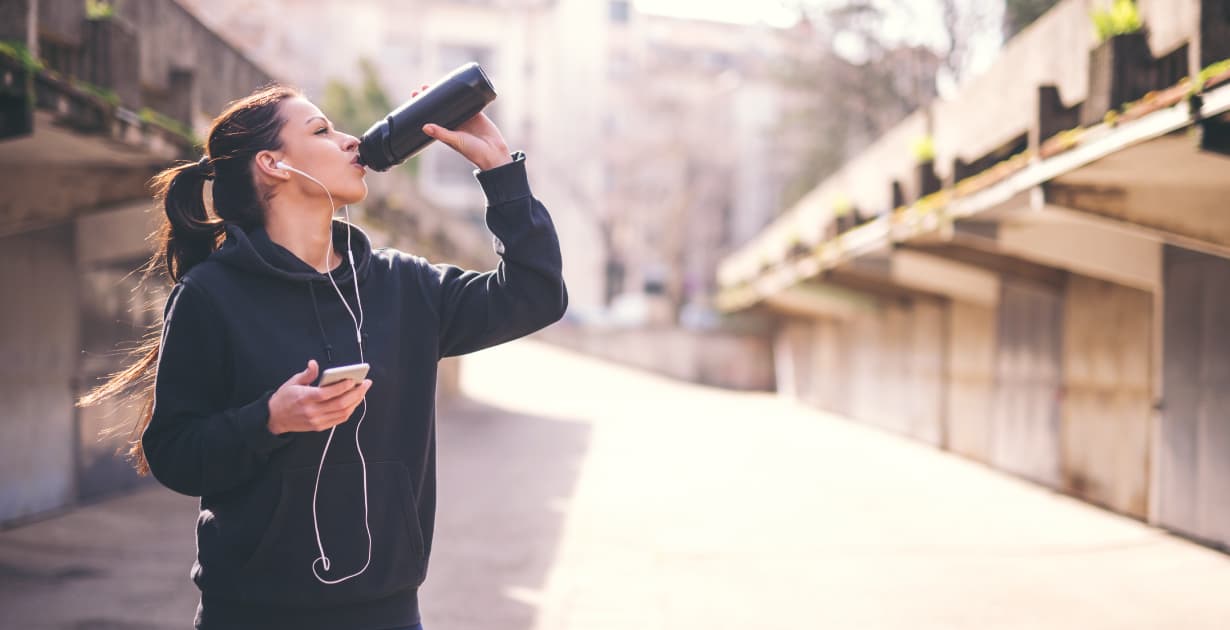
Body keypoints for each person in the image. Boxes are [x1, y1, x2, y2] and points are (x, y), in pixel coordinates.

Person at [77, 83, 568, 630]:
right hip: (251, 614)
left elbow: (536, 296)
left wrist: (500, 171)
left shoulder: (404, 285)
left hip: (387, 612)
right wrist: (269, 420)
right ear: (273, 164)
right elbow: (173, 452)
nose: (349, 140)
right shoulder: (211, 296)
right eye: (321, 131)